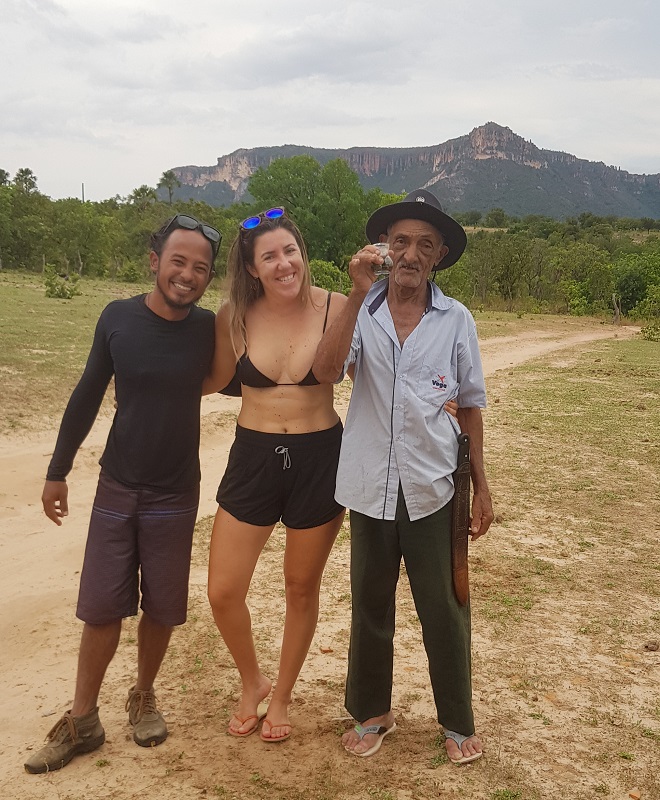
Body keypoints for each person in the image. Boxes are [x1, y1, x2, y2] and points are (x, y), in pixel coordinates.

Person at [25, 214, 220, 774]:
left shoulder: (208, 329)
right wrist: (57, 470)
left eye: (200, 268)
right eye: (178, 261)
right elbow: (88, 392)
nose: (187, 274)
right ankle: (82, 719)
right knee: (102, 603)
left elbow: (250, 374)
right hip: (118, 484)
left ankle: (143, 694)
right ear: (155, 261)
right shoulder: (118, 318)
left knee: (162, 603)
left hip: (176, 491)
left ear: (209, 279)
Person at [312, 189, 494, 764]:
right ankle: (371, 713)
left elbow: (469, 406)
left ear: (438, 255)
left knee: (443, 605)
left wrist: (482, 483)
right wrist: (357, 292)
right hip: (369, 483)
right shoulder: (360, 311)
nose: (409, 254)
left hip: (433, 484)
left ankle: (457, 722)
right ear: (383, 250)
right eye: (400, 242)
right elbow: (325, 372)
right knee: (370, 601)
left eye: (423, 244)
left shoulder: (455, 319)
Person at [203, 208, 346, 743]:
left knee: (300, 586)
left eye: (290, 251)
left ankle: (281, 694)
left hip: (320, 457)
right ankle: (252, 680)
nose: (284, 264)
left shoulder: (339, 307)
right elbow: (208, 378)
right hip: (253, 457)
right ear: (252, 268)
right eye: (270, 256)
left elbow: (381, 374)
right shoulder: (232, 318)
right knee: (222, 590)